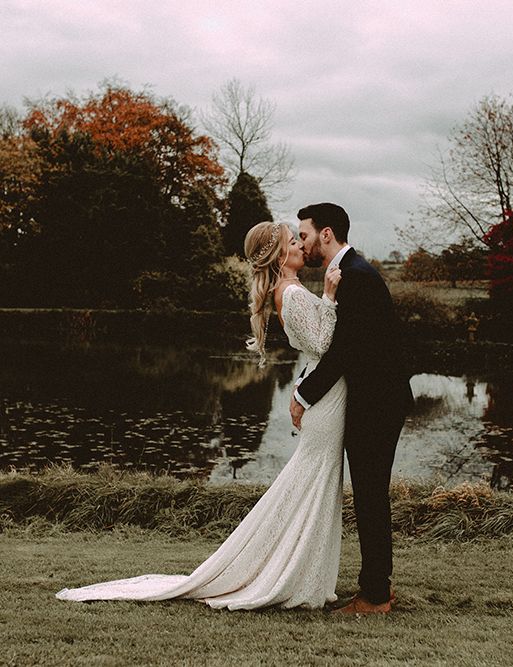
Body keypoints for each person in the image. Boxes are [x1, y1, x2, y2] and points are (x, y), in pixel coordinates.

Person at [55, 221, 347, 610]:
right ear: (279, 254)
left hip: (322, 395)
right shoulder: (291, 293)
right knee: (312, 482)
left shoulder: (289, 289)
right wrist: (328, 296)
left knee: (314, 483)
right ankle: (288, 574)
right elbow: (323, 342)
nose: (299, 245)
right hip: (324, 403)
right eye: (292, 241)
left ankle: (299, 570)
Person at [292, 203, 413, 615]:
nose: (302, 243)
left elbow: (345, 350)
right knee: (369, 496)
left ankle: (375, 596)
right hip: (375, 400)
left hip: (376, 404)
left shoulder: (357, 277)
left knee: (370, 497)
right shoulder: (350, 272)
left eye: (304, 234)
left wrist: (303, 395)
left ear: (326, 234)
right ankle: (377, 587)